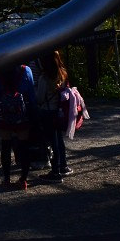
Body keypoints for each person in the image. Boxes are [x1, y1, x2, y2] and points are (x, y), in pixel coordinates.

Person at [0, 62, 37, 190]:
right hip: (22, 114)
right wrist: (33, 113)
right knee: (24, 146)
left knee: (5, 146)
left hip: (4, 115)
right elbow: (31, 94)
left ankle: (6, 179)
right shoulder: (26, 70)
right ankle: (23, 179)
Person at [35, 49, 72, 183]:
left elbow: (39, 98)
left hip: (47, 111)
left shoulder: (44, 78)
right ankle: (63, 165)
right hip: (58, 111)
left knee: (52, 142)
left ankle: (55, 172)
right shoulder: (62, 74)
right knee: (59, 140)